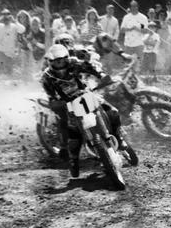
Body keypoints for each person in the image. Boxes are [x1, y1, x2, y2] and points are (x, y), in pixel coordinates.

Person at [40, 43, 125, 178]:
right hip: (67, 103)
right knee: (71, 129)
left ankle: (120, 138)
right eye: (56, 61)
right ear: (50, 61)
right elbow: (50, 96)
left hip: (85, 94)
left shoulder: (74, 63)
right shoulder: (46, 77)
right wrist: (55, 102)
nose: (60, 64)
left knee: (112, 111)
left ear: (66, 58)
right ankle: (72, 159)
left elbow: (90, 67)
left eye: (62, 60)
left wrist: (101, 75)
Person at [0, 8, 26, 77]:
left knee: (9, 73)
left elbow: (22, 30)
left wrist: (14, 21)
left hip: (10, 54)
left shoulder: (14, 26)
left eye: (7, 15)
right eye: (4, 15)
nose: (5, 17)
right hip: (0, 52)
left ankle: (8, 86)